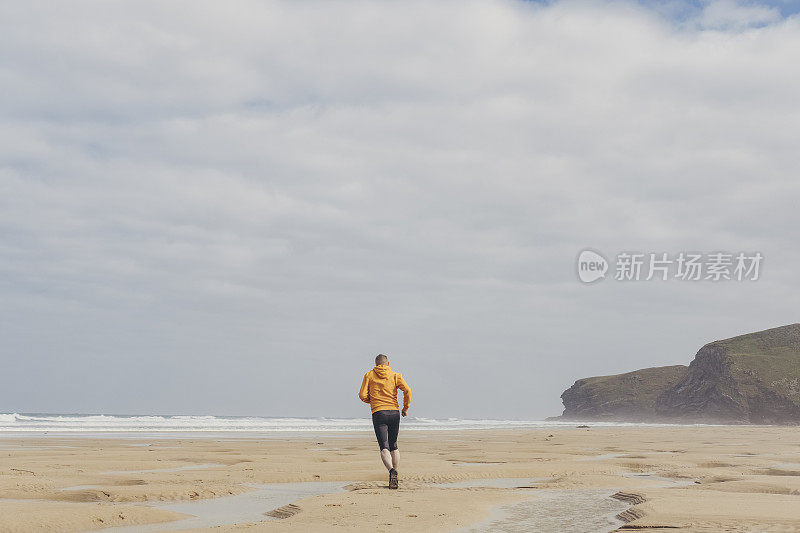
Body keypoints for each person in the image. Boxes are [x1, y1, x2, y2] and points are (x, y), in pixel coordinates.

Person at [358, 353, 411, 489]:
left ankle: (391, 471)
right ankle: (396, 472)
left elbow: (362, 395)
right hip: (394, 412)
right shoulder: (395, 375)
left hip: (379, 412)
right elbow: (407, 390)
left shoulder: (369, 375)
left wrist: (373, 401)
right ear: (388, 363)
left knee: (384, 447)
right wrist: (405, 408)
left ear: (376, 364)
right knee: (394, 445)